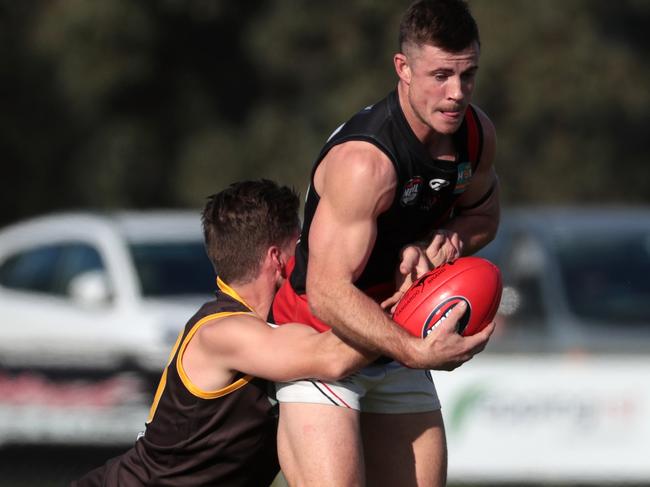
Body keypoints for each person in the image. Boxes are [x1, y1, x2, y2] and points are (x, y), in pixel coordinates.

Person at [72, 179, 476, 486]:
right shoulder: (224, 331)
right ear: (278, 259)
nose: (310, 257)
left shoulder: (267, 325)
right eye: (301, 246)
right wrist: (409, 300)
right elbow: (333, 356)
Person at [271, 0, 500, 485]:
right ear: (403, 68)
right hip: (322, 342)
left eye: (468, 75)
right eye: (440, 75)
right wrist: (415, 352)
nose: (456, 94)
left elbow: (485, 215)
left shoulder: (475, 135)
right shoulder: (366, 163)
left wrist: (450, 239)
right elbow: (328, 291)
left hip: (398, 329)